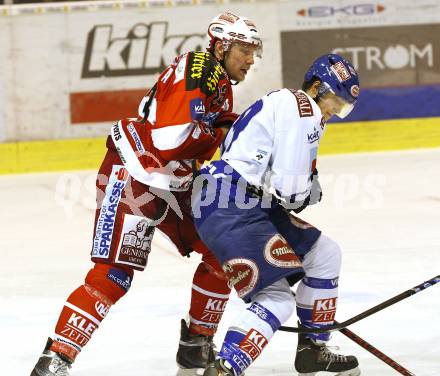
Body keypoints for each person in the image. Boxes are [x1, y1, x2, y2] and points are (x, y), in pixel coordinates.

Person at [30, 12, 262, 376]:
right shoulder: (202, 69)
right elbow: (171, 140)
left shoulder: (216, 78)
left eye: (253, 52)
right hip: (135, 176)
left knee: (224, 249)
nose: (251, 60)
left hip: (172, 182)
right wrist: (221, 132)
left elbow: (188, 136)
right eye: (245, 50)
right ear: (222, 45)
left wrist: (224, 127)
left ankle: (196, 344)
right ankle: (55, 359)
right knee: (114, 274)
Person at [191, 54, 361, 376]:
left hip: (239, 197)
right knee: (277, 297)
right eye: (334, 101)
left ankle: (313, 348)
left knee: (324, 254)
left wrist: (303, 189)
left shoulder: (288, 104)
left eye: (342, 108)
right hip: (232, 201)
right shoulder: (305, 110)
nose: (334, 111)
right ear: (315, 87)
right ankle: (225, 368)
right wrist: (307, 191)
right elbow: (291, 190)